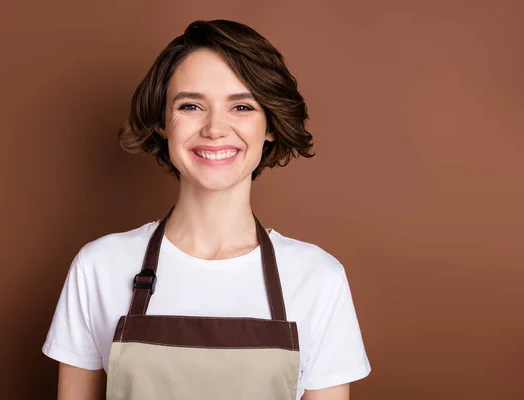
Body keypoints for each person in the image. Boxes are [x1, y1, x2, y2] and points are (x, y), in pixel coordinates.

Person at [42, 19, 371, 400]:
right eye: (192, 105)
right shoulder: (99, 266)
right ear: (163, 122)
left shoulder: (318, 279)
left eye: (242, 106)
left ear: (270, 126)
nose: (215, 128)